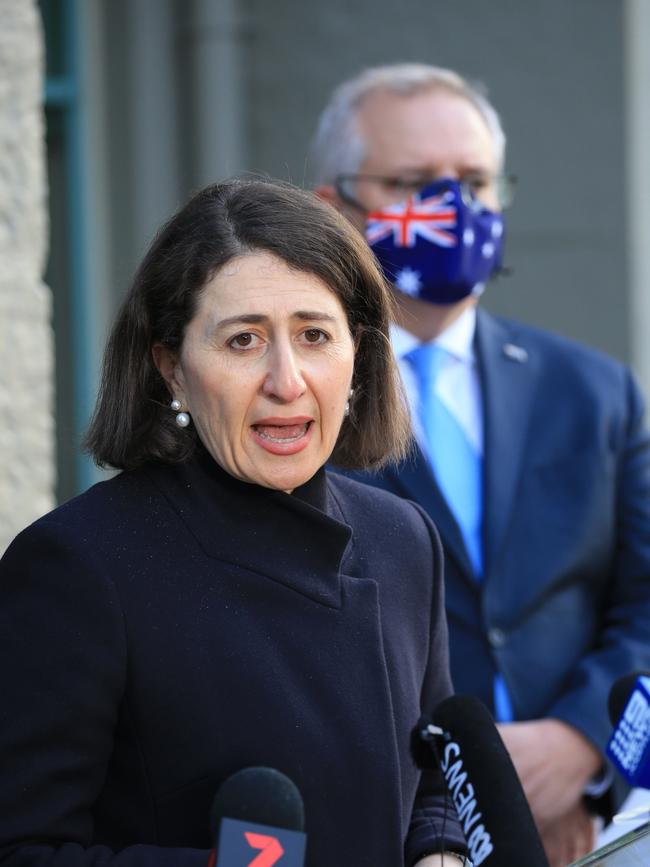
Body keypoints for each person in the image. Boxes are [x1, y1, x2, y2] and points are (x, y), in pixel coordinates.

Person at [0, 179, 470, 867]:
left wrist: (441, 854)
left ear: (359, 359)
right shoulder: (78, 566)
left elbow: (432, 776)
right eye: (244, 340)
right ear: (173, 370)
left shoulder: (403, 538)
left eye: (314, 335)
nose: (286, 380)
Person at [311, 63, 650, 866]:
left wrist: (582, 746)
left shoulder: (594, 390)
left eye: (473, 180)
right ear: (334, 207)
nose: (452, 206)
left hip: (589, 829)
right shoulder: (293, 406)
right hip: (384, 831)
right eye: (413, 180)